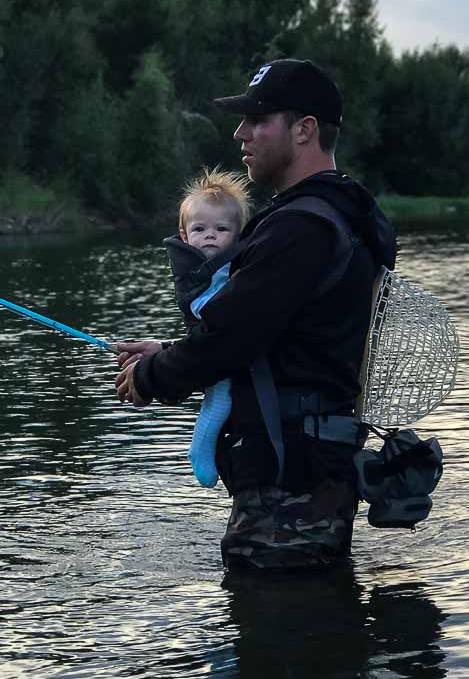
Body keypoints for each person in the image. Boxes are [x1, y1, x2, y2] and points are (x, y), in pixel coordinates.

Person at [115, 59, 398, 571]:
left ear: (304, 129)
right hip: (312, 471)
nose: (240, 132)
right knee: (310, 630)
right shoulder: (340, 212)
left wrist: (153, 374)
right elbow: (271, 333)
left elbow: (230, 339)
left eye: (258, 119)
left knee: (280, 633)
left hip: (288, 491)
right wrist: (168, 351)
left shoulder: (300, 228)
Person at [167, 167, 252, 487]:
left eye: (221, 228)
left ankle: (204, 451)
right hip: (216, 349)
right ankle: (204, 453)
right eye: (200, 228)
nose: (210, 235)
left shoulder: (239, 262)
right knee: (216, 397)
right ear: (185, 235)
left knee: (219, 399)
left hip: (228, 348)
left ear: (238, 234)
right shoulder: (194, 268)